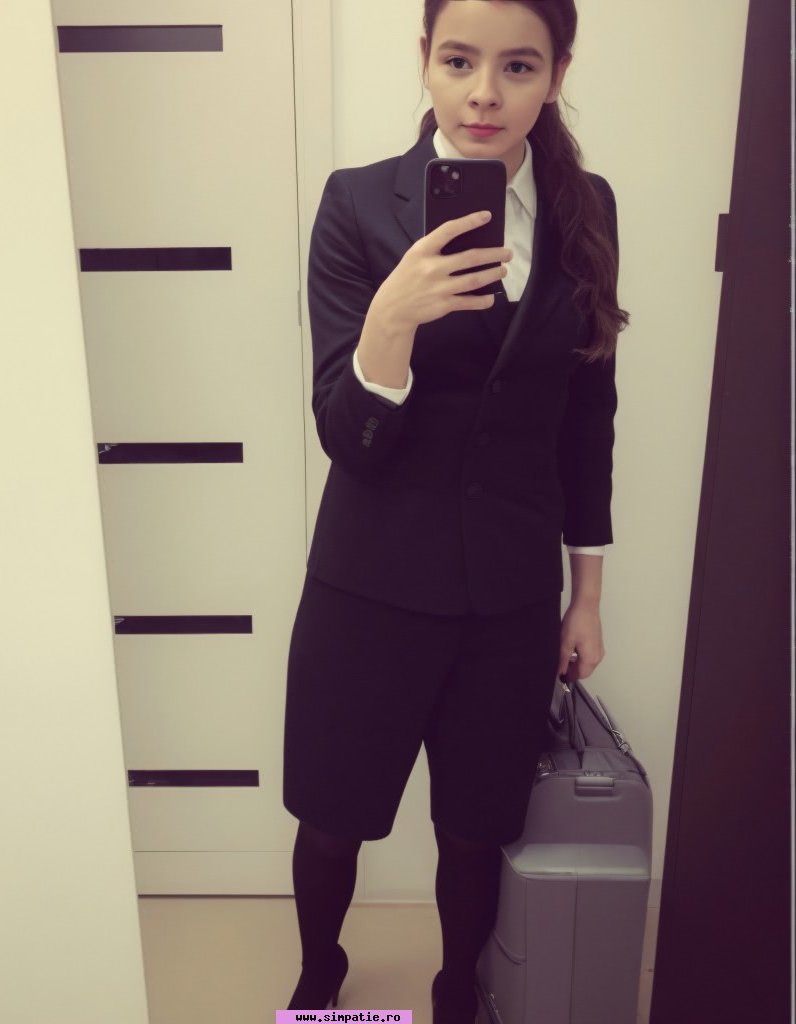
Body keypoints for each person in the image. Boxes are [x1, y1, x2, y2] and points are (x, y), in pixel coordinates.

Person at [281, 1, 628, 1020]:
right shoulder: (356, 204)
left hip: (507, 596)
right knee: (333, 817)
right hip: (369, 586)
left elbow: (588, 414)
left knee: (476, 826)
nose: (484, 93)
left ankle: (454, 989)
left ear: (557, 73)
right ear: (425, 62)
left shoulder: (585, 207)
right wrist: (389, 320)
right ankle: (319, 973)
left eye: (518, 66)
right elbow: (347, 436)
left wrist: (586, 595)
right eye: (459, 60)